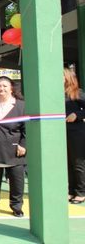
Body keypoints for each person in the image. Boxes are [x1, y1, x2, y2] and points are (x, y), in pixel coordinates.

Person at [0, 76, 27, 217]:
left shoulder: (21, 105)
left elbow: (26, 128)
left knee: (17, 179)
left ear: (11, 88)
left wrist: (23, 145)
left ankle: (16, 205)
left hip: (14, 149)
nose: (1, 89)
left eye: (5, 86)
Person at [64, 68, 85, 204]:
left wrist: (77, 115)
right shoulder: (55, 93)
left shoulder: (78, 93)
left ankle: (81, 192)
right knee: (68, 163)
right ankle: (71, 190)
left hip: (76, 131)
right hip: (61, 132)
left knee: (78, 163)